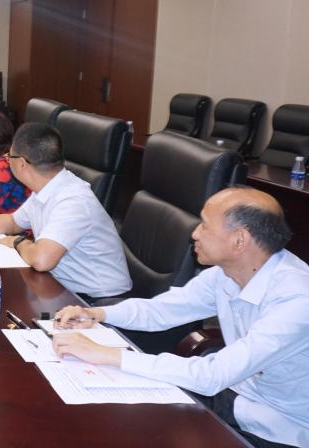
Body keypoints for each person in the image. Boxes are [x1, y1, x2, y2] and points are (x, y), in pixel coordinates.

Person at [52, 187, 308, 448]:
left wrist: (105, 354)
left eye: (205, 226)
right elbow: (161, 311)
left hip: (279, 429)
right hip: (235, 396)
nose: (194, 233)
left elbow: (213, 375)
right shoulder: (227, 272)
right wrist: (96, 314)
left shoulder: (296, 299)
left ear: (239, 240)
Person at [0, 123, 131, 299]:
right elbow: (13, 223)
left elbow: (42, 260)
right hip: (61, 286)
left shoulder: (73, 201)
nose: (6, 160)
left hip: (98, 300)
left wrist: (18, 242)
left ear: (21, 164)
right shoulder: (47, 187)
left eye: (9, 156)